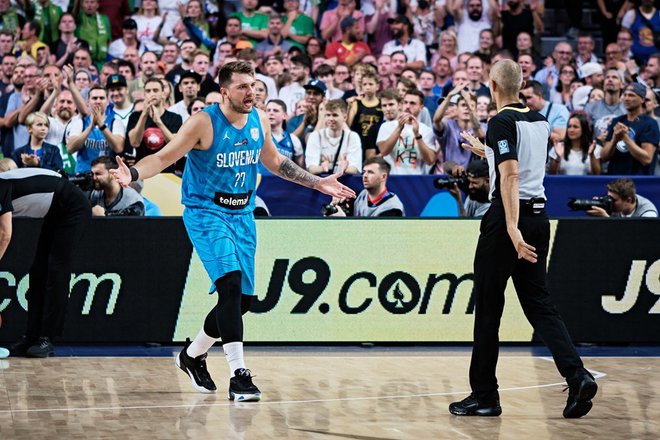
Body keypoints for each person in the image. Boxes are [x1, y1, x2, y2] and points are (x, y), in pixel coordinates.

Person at [110, 61, 355, 401]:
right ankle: (239, 375)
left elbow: (275, 163)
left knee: (244, 302)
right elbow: (164, 158)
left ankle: (192, 355)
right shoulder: (203, 123)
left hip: (242, 214)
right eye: (242, 87)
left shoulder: (259, 119)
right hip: (206, 213)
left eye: (253, 85)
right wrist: (133, 175)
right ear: (225, 91)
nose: (250, 92)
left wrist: (319, 183)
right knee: (229, 285)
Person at [449, 59, 597, 418]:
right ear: (521, 84)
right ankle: (577, 375)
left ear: (493, 87)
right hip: (538, 217)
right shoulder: (540, 119)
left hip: (507, 220)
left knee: (488, 307)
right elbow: (526, 163)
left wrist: (511, 229)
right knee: (539, 304)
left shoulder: (501, 120)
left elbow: (511, 176)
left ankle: (485, 395)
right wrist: (484, 150)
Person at [1, 159, 91, 357]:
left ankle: (46, 339)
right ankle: (31, 336)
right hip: (55, 210)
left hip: (73, 206)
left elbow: (5, 234)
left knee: (56, 271)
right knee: (38, 272)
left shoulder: (1, 186)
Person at [601, 82, 659, 175]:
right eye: (625, 95)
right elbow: (603, 157)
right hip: (615, 180)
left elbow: (647, 159)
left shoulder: (649, 123)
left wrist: (626, 138)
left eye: (631, 95)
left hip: (640, 181)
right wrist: (614, 140)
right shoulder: (617, 121)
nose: (627, 98)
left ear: (642, 99)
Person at [328, 156, 405, 217]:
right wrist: (334, 205)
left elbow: (376, 236)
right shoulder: (359, 196)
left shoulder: (392, 208)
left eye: (370, 172)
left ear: (383, 177)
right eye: (364, 172)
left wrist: (343, 221)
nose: (365, 176)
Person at [305, 99, 362, 175]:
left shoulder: (352, 137)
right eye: (328, 115)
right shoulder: (316, 136)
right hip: (322, 182)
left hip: (344, 182)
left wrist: (344, 168)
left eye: (335, 115)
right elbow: (311, 168)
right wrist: (323, 168)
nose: (331, 119)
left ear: (344, 117)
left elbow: (354, 169)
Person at [586, 177, 658, 218]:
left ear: (628, 200)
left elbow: (635, 239)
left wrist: (607, 219)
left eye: (613, 199)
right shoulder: (615, 204)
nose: (609, 201)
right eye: (608, 197)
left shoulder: (648, 214)